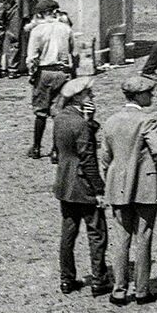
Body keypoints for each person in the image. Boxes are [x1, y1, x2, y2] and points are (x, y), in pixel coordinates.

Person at [99, 76, 157, 306]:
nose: (151, 96)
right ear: (138, 96)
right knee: (144, 237)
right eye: (148, 92)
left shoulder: (111, 121)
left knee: (121, 238)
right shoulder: (146, 120)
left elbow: (105, 158)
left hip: (118, 186)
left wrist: (111, 179)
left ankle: (119, 290)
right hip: (145, 186)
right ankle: (141, 290)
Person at [49, 74, 108, 295]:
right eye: (89, 94)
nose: (92, 96)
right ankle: (99, 280)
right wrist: (99, 189)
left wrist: (90, 121)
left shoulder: (60, 119)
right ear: (79, 97)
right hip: (83, 184)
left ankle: (67, 278)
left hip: (64, 183)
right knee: (97, 232)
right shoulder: (80, 124)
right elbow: (88, 159)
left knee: (68, 233)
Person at [21, 0, 79, 158]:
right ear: (55, 12)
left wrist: (32, 74)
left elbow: (31, 58)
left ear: (39, 15)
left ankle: (37, 148)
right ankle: (56, 151)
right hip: (62, 73)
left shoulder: (37, 31)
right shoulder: (66, 29)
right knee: (58, 113)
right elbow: (74, 52)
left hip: (44, 72)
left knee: (40, 112)